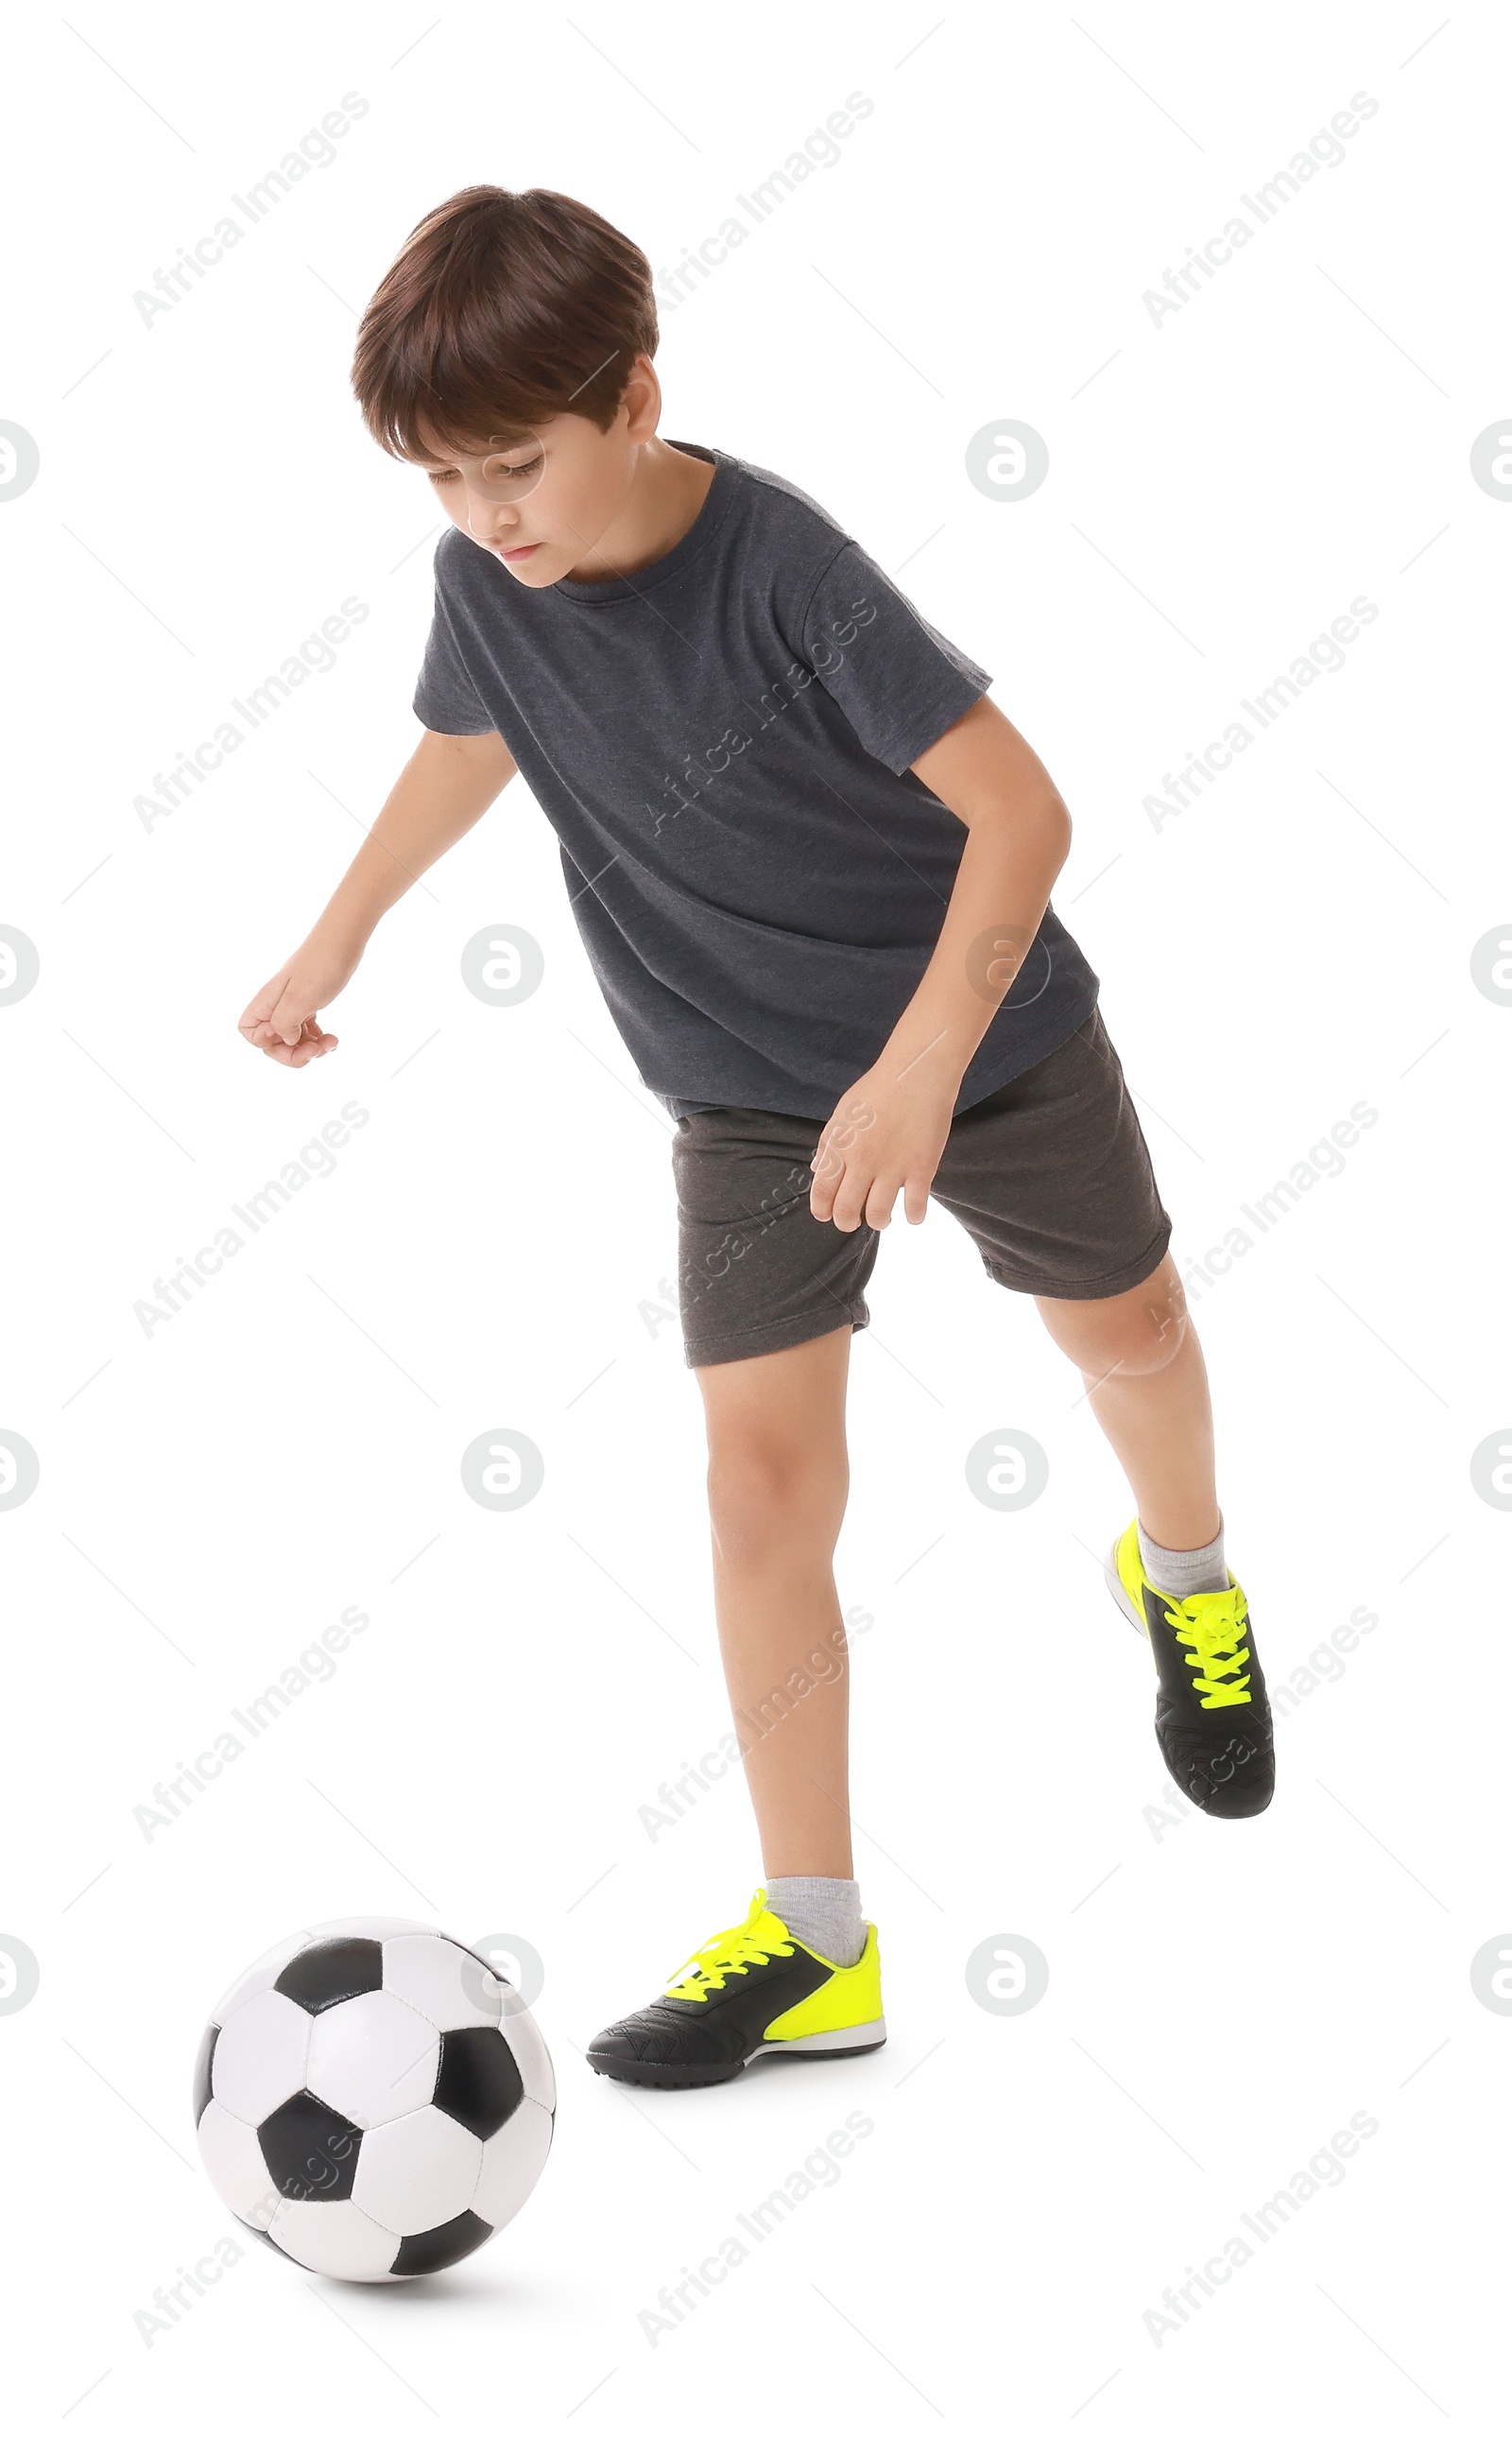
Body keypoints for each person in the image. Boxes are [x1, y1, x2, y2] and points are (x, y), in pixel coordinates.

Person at [238, 184, 1274, 2095]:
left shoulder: (785, 571)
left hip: (981, 1033)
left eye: (518, 464)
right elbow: (474, 730)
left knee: (1123, 1334)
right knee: (754, 1484)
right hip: (735, 1078)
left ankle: (1186, 1578)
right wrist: (341, 922)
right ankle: (814, 1934)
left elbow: (1020, 816)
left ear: (634, 393)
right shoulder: (489, 575)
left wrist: (920, 1064)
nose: (489, 515)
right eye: (449, 480)